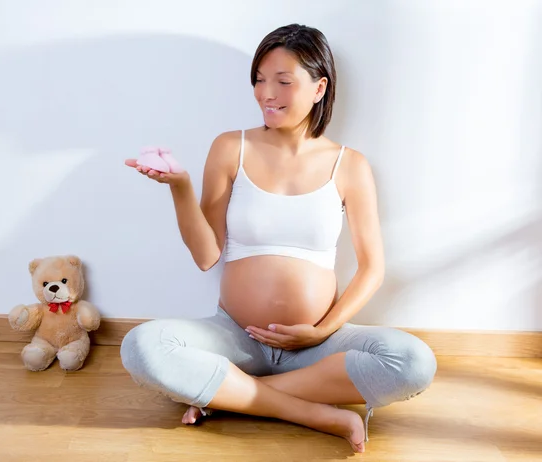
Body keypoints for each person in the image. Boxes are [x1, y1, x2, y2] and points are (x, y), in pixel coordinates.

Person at [121, 23, 437, 454]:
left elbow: (372, 269)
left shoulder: (350, 165)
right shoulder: (231, 147)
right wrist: (180, 188)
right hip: (234, 338)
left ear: (319, 87)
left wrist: (320, 331)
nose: (266, 93)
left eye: (283, 82)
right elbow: (205, 256)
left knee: (415, 361)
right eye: (259, 80)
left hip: (318, 345)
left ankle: (232, 396)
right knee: (142, 346)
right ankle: (309, 411)